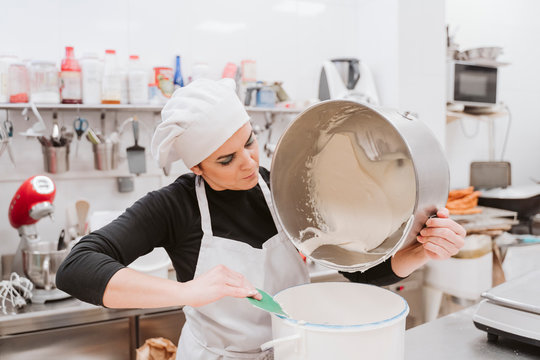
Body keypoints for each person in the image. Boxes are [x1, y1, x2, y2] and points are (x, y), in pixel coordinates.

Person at [57, 78, 466, 360]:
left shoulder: (282, 188)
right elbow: (78, 268)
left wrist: (418, 253)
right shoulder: (174, 207)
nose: (249, 162)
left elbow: (356, 272)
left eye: (249, 141)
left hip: (290, 351)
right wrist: (191, 292)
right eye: (226, 159)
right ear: (198, 167)